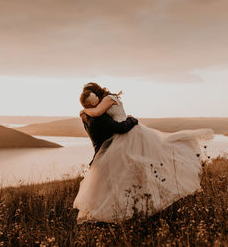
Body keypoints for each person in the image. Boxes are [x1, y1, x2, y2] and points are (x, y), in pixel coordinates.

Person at [73, 82, 214, 224]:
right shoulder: (101, 103)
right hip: (123, 135)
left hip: (130, 133)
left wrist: (84, 110)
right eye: (90, 102)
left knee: (148, 160)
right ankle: (133, 204)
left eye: (94, 98)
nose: (94, 102)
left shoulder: (107, 99)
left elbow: (96, 112)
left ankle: (147, 201)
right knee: (133, 168)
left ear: (97, 94)